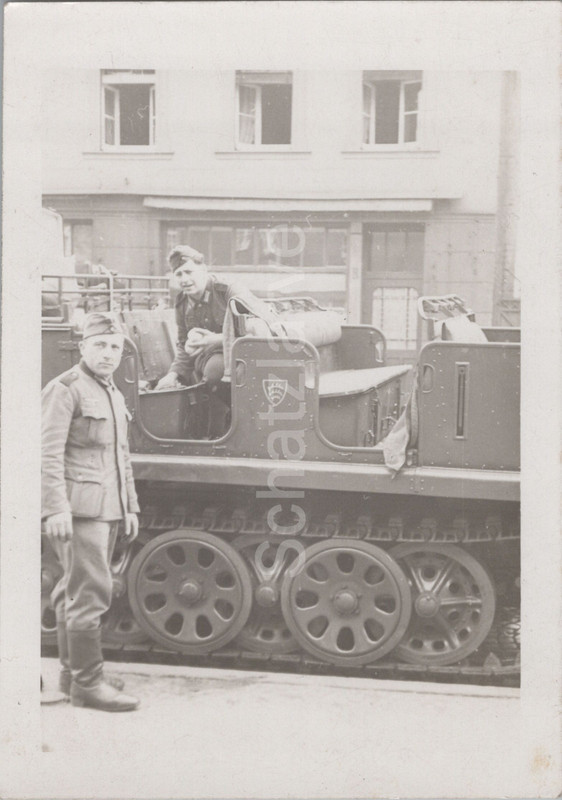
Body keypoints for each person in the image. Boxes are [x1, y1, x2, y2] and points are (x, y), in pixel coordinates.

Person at [41, 311, 140, 712]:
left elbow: (120, 456)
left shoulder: (110, 392)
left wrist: (130, 505)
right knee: (91, 593)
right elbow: (46, 454)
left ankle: (72, 675)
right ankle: (88, 683)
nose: (108, 353)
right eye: (100, 344)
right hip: (80, 511)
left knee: (72, 591)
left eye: (115, 346)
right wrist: (54, 509)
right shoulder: (66, 389)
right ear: (83, 346)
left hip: (108, 507)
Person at [155, 244, 268, 392]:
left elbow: (258, 331)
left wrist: (213, 340)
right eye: (179, 274)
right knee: (213, 370)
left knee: (218, 371)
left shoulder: (227, 291)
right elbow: (183, 345)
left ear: (203, 270)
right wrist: (172, 374)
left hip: (245, 352)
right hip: (208, 357)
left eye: (189, 272)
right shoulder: (182, 302)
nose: (184, 279)